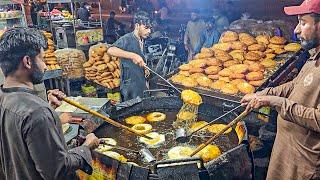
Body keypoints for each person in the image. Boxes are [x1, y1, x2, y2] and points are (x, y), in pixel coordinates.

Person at [0, 28, 100, 179]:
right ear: (27, 61)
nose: (45, 66)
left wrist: (49, 109)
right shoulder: (36, 112)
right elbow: (57, 170)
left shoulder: (4, 97)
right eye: (42, 59)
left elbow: (23, 138)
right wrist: (86, 147)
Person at [241, 1, 320, 179]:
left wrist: (275, 102)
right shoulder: (314, 57)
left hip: (304, 164)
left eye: (303, 22)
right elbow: (295, 86)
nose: (296, 30)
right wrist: (264, 94)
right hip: (286, 152)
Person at [107, 11, 151, 101]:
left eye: (150, 28)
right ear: (137, 26)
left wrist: (146, 70)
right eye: (146, 28)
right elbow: (110, 50)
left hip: (141, 84)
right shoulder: (127, 38)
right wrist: (133, 55)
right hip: (130, 87)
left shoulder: (143, 40)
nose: (149, 31)